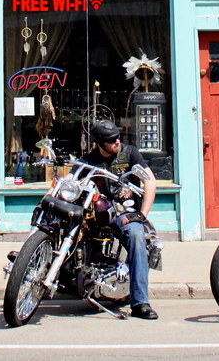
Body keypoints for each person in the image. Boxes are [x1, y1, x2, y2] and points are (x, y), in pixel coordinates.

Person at [80, 118, 159, 320]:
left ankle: (140, 302)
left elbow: (150, 181)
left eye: (117, 138)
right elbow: (73, 179)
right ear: (99, 142)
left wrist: (142, 215)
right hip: (99, 212)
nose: (116, 142)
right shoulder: (89, 159)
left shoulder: (130, 153)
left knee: (136, 235)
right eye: (111, 140)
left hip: (125, 212)